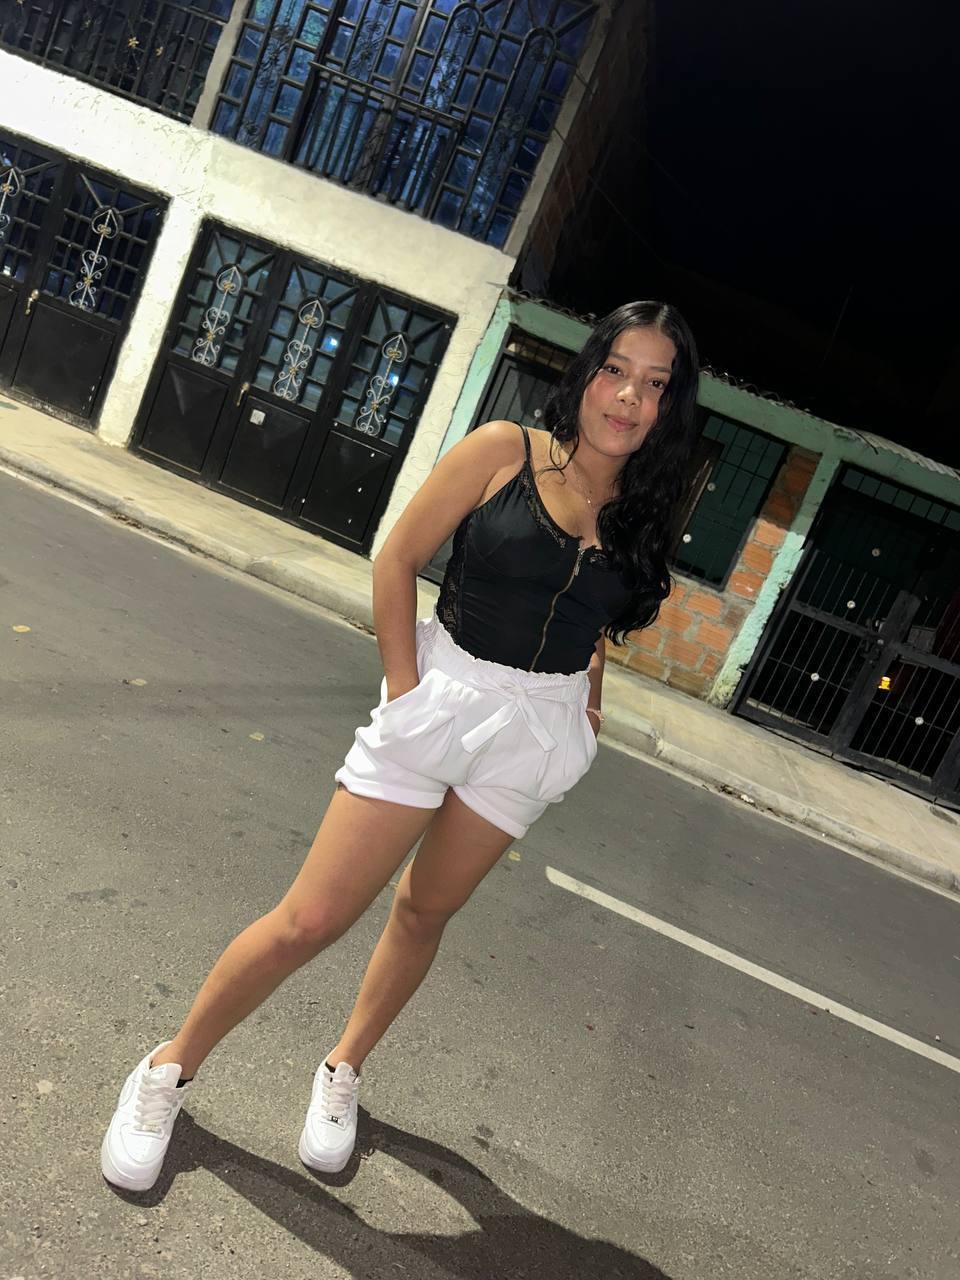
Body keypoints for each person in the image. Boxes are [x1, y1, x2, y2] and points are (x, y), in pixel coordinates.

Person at [100, 299, 701, 1193]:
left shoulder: (643, 508)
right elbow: (397, 560)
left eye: (654, 385)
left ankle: (342, 1069)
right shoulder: (503, 450)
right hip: (441, 696)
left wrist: (588, 708)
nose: (628, 398)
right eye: (616, 371)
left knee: (425, 913)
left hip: (535, 732)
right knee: (311, 919)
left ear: (669, 407)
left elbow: (594, 619)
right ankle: (166, 1070)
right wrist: (407, 690)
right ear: (587, 373)